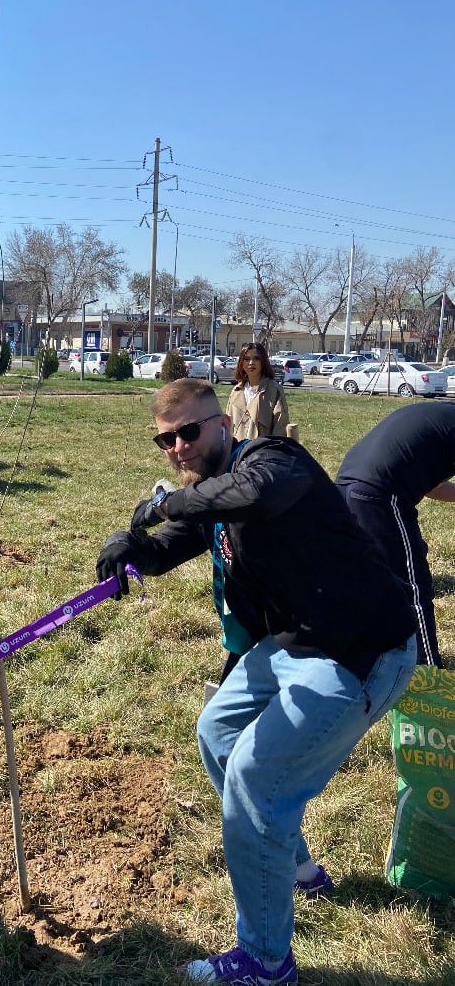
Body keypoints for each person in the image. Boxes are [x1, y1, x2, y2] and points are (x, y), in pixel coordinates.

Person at [96, 378, 416, 986]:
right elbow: (168, 547)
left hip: (360, 649)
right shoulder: (210, 498)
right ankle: (294, 867)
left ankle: (266, 962)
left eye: (190, 431)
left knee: (253, 777)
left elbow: (254, 494)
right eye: (166, 440)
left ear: (223, 424)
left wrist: (163, 504)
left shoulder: (275, 460)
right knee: (217, 732)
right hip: (293, 644)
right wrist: (130, 547)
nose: (179, 447)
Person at [336, 402, 455, 668]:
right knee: (412, 588)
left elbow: (432, 485)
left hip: (346, 488)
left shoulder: (441, 420)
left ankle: (367, 660)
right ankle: (425, 671)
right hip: (378, 495)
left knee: (368, 582)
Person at [225, 341, 289, 440]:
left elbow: (280, 427)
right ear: (241, 363)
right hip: (238, 448)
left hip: (263, 448)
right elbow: (227, 427)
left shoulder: (274, 390)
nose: (251, 363)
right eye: (246, 359)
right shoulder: (236, 391)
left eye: (256, 358)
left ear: (263, 362)